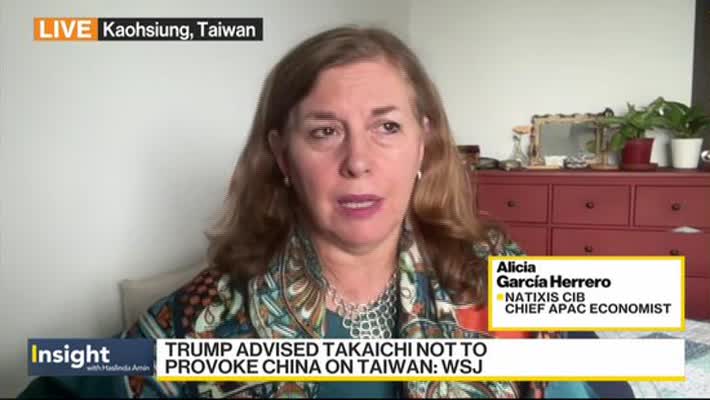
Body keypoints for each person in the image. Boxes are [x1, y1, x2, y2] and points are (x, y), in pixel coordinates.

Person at [20, 26, 595, 398]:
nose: (358, 161)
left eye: (386, 126)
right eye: (325, 132)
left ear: (423, 144)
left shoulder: (492, 270)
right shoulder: (210, 315)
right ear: (283, 156)